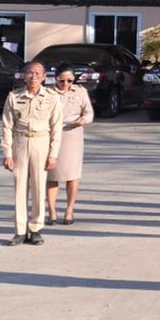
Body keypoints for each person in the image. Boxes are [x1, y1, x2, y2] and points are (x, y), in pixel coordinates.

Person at [0, 59, 61, 246]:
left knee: (38, 186)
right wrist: (7, 153)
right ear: (23, 76)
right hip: (20, 142)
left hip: (41, 142)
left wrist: (53, 154)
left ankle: (35, 228)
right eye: (30, 73)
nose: (33, 76)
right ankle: (19, 230)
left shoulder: (51, 97)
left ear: (44, 77)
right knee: (20, 187)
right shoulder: (14, 96)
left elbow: (56, 127)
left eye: (37, 73)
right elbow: (7, 126)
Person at [44, 65, 94, 225]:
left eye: (70, 80)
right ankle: (51, 211)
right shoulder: (47, 92)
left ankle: (69, 210)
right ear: (55, 78)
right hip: (51, 134)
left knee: (72, 174)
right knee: (52, 174)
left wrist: (84, 120)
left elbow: (89, 112)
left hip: (73, 134)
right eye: (62, 80)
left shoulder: (80, 91)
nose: (66, 84)